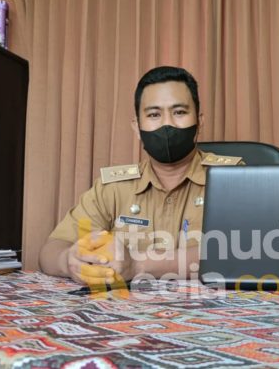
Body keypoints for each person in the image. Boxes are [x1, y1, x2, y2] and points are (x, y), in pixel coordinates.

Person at [39, 66, 242, 286]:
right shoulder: (113, 188)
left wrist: (138, 265)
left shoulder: (234, 178)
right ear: (137, 127)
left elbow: (246, 250)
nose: (167, 124)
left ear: (199, 121)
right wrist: (69, 261)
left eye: (179, 112)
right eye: (154, 114)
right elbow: (51, 250)